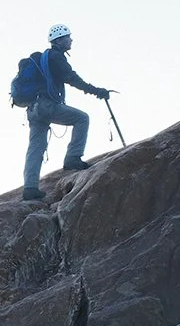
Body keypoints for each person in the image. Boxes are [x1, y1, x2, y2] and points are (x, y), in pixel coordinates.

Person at [21, 24, 113, 201]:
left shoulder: (44, 58)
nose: (71, 40)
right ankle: (73, 157)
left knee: (35, 148)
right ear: (60, 39)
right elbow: (71, 78)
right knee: (81, 118)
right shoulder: (56, 56)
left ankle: (30, 188)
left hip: (33, 109)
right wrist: (96, 91)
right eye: (68, 37)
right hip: (47, 105)